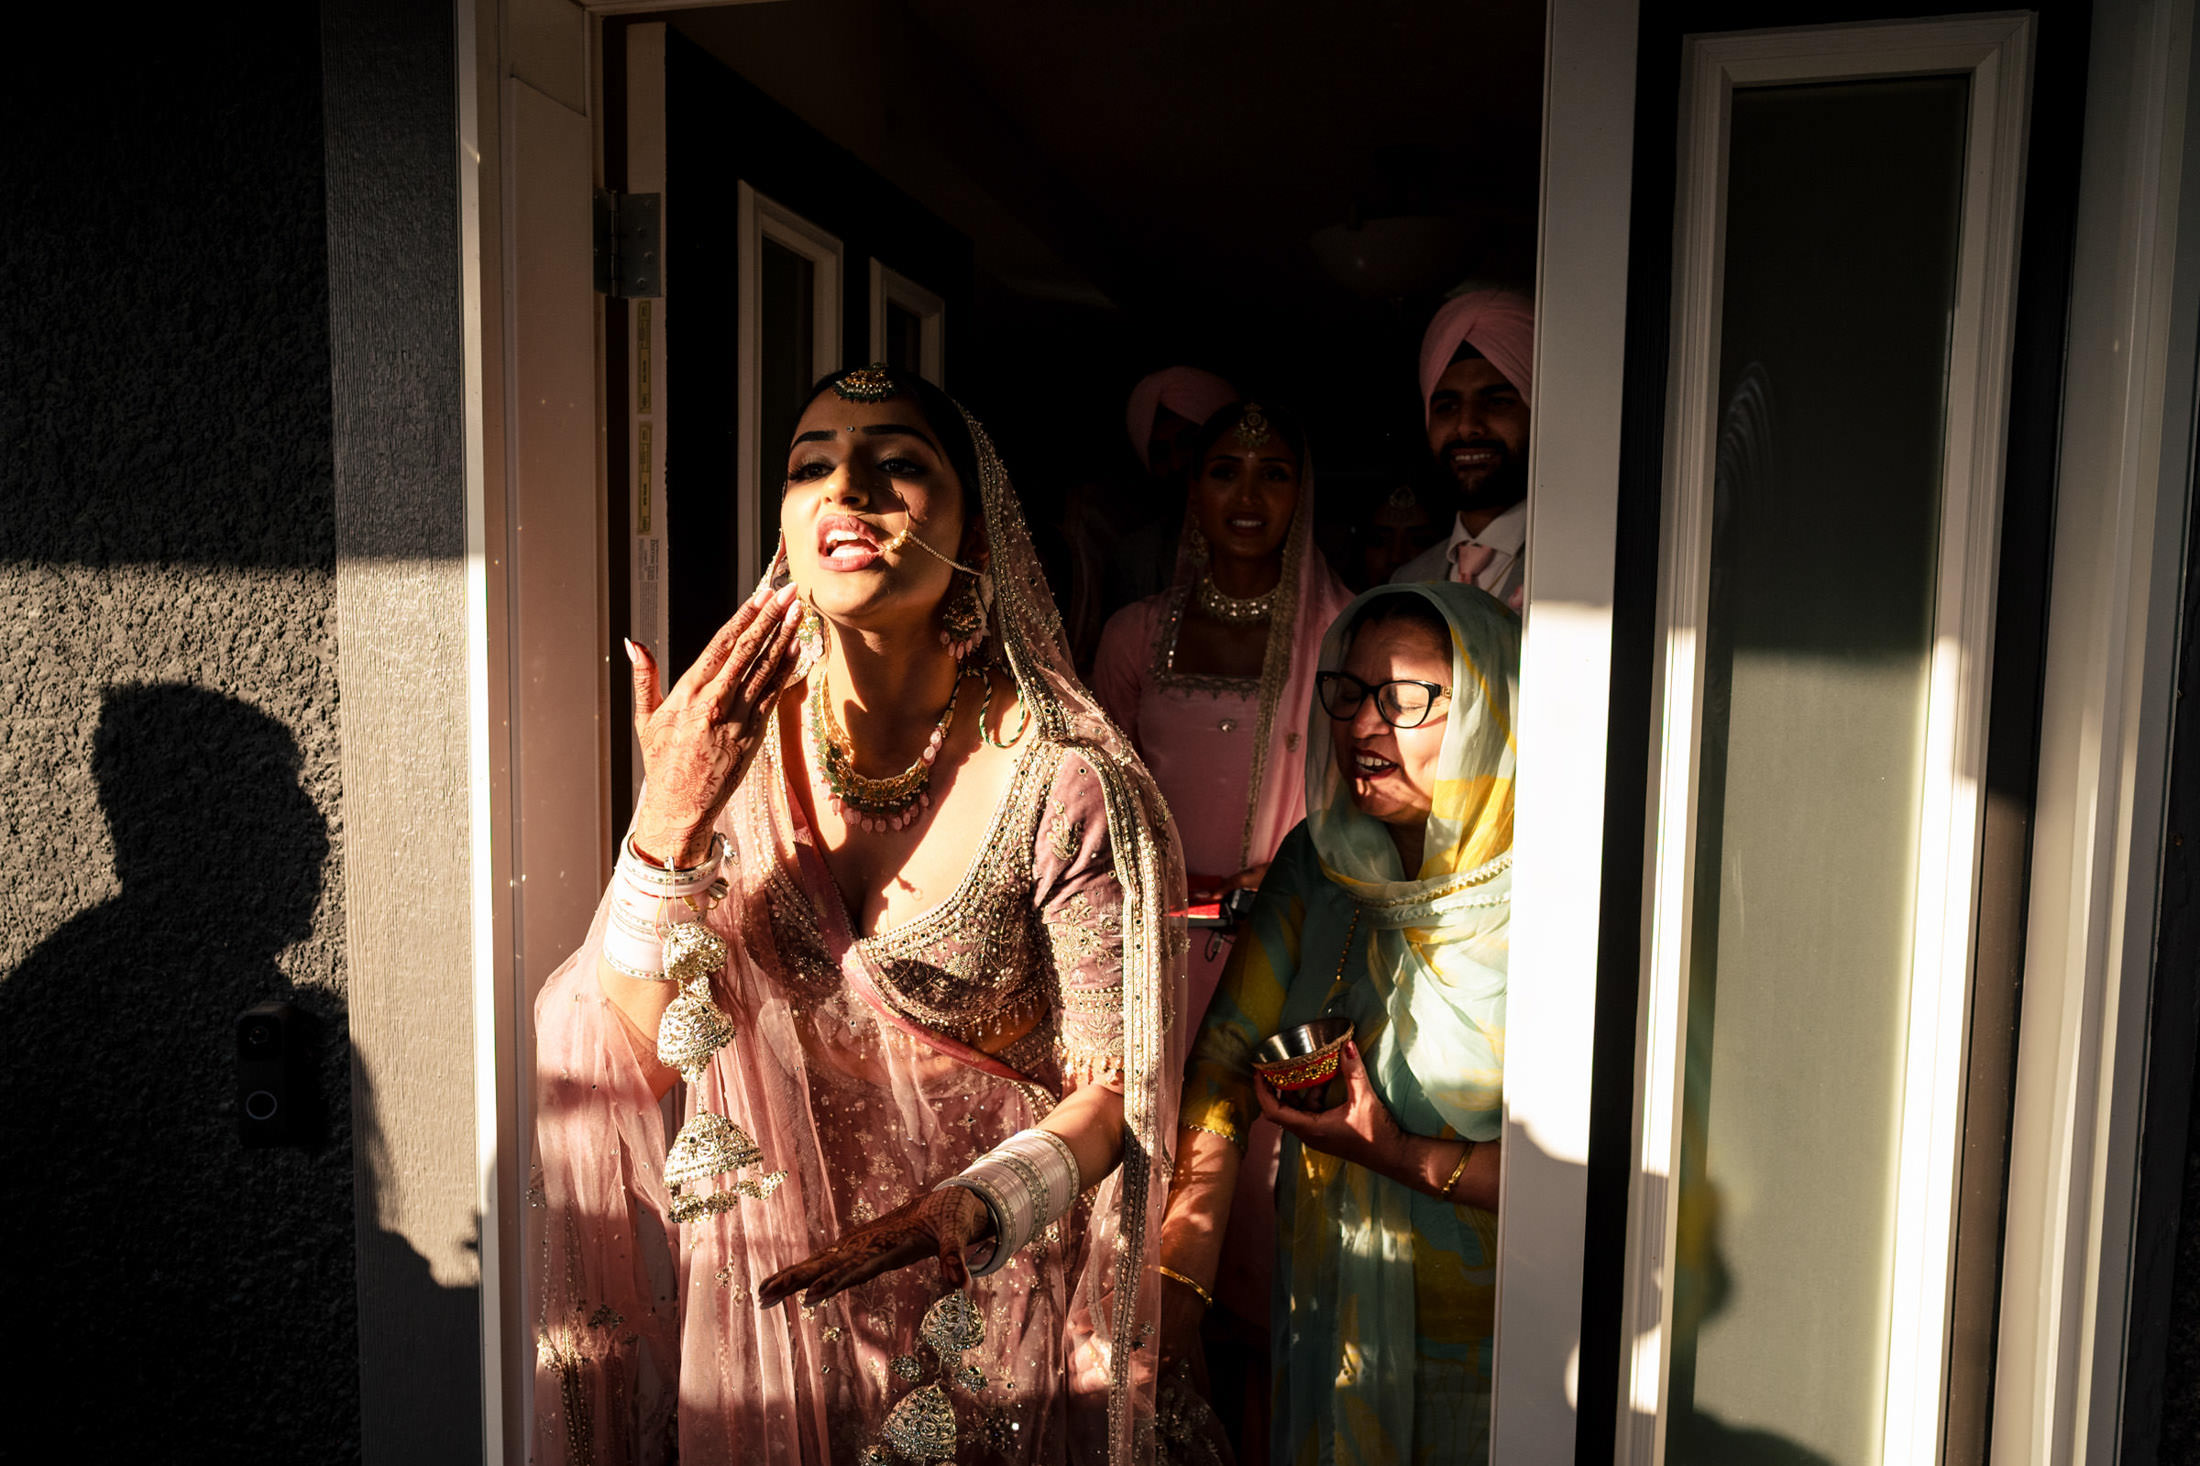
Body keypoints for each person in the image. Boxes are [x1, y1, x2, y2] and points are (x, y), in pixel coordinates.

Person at [529, 364, 1187, 1465]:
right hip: (772, 1294)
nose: (849, 486)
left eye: (897, 463)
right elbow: (631, 1049)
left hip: (984, 1302)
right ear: (786, 525)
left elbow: (1116, 1094)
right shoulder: (729, 751)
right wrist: (669, 824)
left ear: (972, 531)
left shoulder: (1065, 786)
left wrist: (971, 1206)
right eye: (812, 465)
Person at [1157, 581, 1517, 1464]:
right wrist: (1178, 1282)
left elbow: (1601, 1177)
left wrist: (1397, 1155)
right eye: (1349, 694)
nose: (1361, 726)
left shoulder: (1563, 898)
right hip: (1334, 1319)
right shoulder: (1319, 865)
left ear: (1492, 709)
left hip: (1505, 1348)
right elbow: (1224, 1064)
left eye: (1404, 700)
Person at [1089, 400, 1353, 1442]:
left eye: (1273, 471)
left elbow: (1374, 795)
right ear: (1190, 488)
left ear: (1303, 490)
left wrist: (1291, 864)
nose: (1247, 494)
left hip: (1286, 964)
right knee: (1154, 1211)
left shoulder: (1344, 628)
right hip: (1150, 963)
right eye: (1224, 469)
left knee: (1268, 1213)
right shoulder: (1131, 633)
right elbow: (1089, 795)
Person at [1388, 290, 1535, 605]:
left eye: (1497, 402)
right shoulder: (1407, 581)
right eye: (1446, 407)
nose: (1467, 426)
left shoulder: (1582, 564)